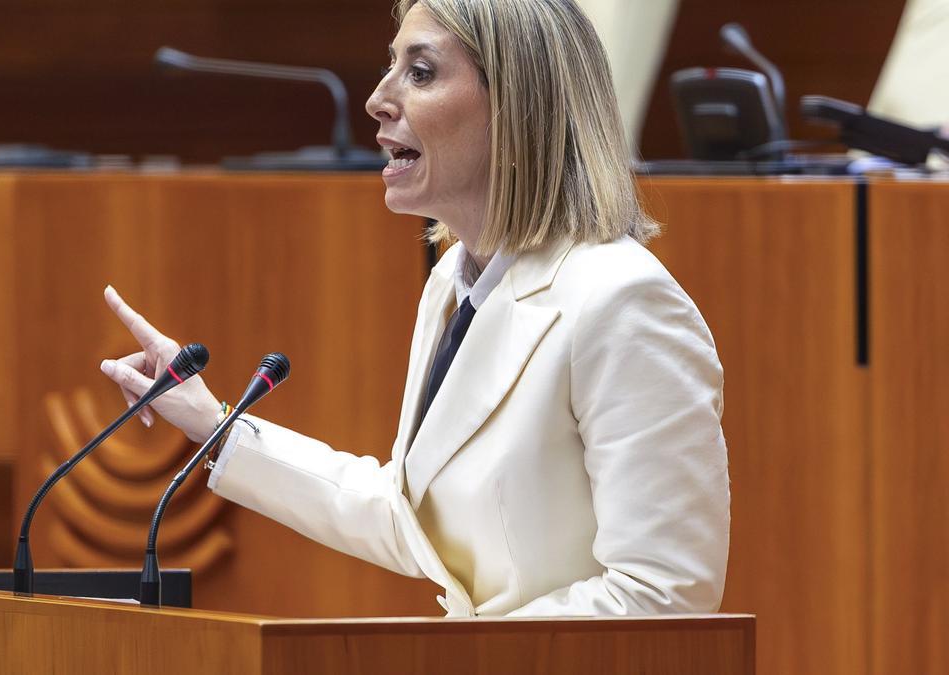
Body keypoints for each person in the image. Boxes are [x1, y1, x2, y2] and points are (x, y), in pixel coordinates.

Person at [100, 0, 729, 617]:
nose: (378, 99)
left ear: (516, 108)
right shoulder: (454, 284)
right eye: (392, 66)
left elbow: (665, 596)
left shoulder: (622, 302)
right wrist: (213, 423)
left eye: (420, 72)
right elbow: (409, 515)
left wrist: (453, 660)